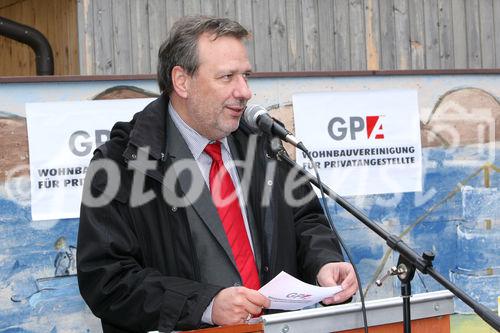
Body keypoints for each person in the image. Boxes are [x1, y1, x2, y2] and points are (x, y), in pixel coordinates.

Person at [77, 16, 358, 333]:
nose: (245, 91)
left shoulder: (263, 145)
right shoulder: (120, 164)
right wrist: (205, 306)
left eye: (246, 76)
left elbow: (304, 218)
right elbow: (106, 279)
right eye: (227, 77)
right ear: (182, 82)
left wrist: (323, 261)